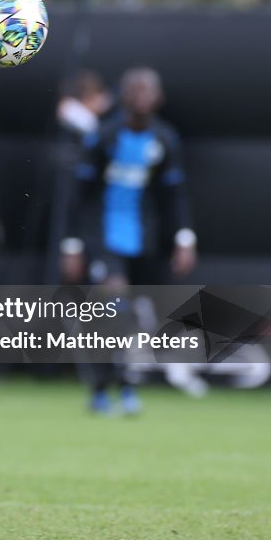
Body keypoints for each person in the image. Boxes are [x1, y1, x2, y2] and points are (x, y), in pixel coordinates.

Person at [59, 67, 197, 414]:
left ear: (158, 98)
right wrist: (73, 244)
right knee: (114, 303)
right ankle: (106, 386)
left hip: (144, 238)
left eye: (148, 91)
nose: (142, 97)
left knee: (134, 314)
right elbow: (78, 193)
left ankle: (122, 383)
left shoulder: (164, 139)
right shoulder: (104, 136)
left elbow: (174, 194)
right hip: (103, 235)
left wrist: (184, 237)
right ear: (123, 97)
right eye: (135, 91)